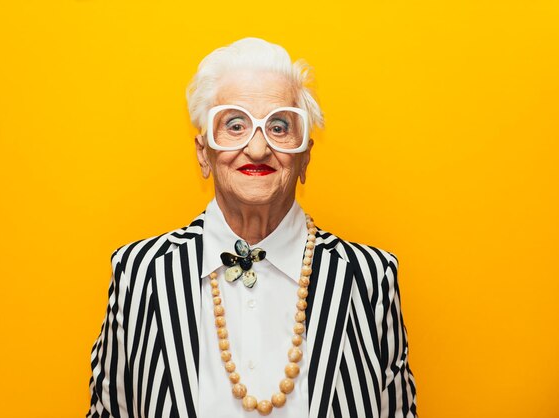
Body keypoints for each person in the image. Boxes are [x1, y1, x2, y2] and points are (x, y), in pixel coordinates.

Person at [87, 37, 417, 418]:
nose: (257, 149)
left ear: (305, 157)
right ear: (203, 153)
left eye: (278, 127)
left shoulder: (369, 278)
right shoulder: (141, 273)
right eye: (235, 124)